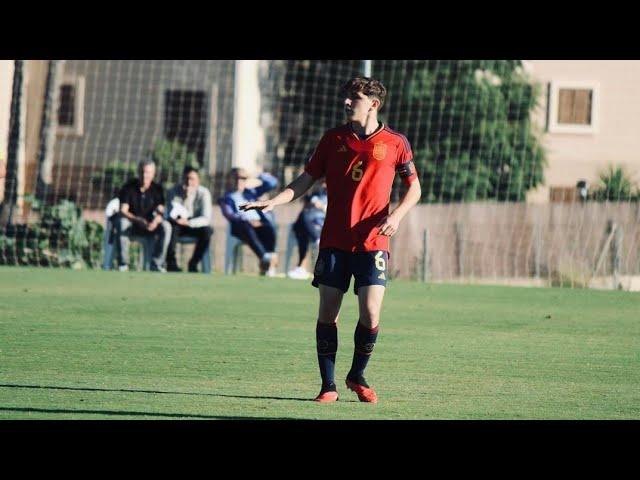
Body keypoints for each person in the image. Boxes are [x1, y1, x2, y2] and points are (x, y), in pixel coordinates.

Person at [241, 77, 422, 403]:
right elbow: (305, 180)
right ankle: (328, 386)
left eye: (354, 97)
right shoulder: (333, 139)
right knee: (328, 314)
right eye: (347, 97)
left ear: (373, 104)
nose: (347, 103)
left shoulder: (396, 142)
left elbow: (415, 188)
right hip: (335, 241)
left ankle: (356, 374)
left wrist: (395, 217)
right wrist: (273, 200)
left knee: (370, 312)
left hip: (373, 242)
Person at [218, 168, 279, 275]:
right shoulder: (226, 197)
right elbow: (229, 214)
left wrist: (256, 176)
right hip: (240, 227)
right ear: (230, 179)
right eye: (236, 178)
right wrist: (247, 220)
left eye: (242, 178)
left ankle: (268, 261)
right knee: (246, 226)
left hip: (258, 224)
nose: (239, 181)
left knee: (269, 227)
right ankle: (265, 258)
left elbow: (272, 183)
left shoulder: (251, 192)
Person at [116, 159, 171, 272]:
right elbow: (123, 211)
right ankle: (123, 264)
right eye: (142, 172)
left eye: (148, 172)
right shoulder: (128, 187)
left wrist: (155, 222)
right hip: (133, 225)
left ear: (153, 173)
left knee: (166, 227)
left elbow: (161, 211)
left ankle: (156, 264)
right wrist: (138, 220)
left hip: (150, 226)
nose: (145, 175)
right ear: (138, 172)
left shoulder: (158, 189)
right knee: (122, 223)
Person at [165, 166, 214, 272]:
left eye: (192, 179)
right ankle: (171, 263)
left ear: (198, 181)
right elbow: (170, 213)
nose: (188, 182)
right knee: (169, 227)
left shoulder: (204, 193)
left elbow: (206, 218)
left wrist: (189, 222)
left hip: (194, 224)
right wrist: (185, 198)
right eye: (186, 178)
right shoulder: (172, 191)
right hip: (177, 224)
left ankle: (194, 263)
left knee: (208, 231)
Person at [288, 181, 327, 280]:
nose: (323, 185)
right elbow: (308, 202)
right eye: (322, 183)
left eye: (325, 182)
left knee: (302, 228)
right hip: (309, 225)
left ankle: (301, 267)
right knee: (303, 223)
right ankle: (301, 268)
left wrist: (322, 207)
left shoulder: (335, 194)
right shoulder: (315, 194)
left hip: (322, 225)